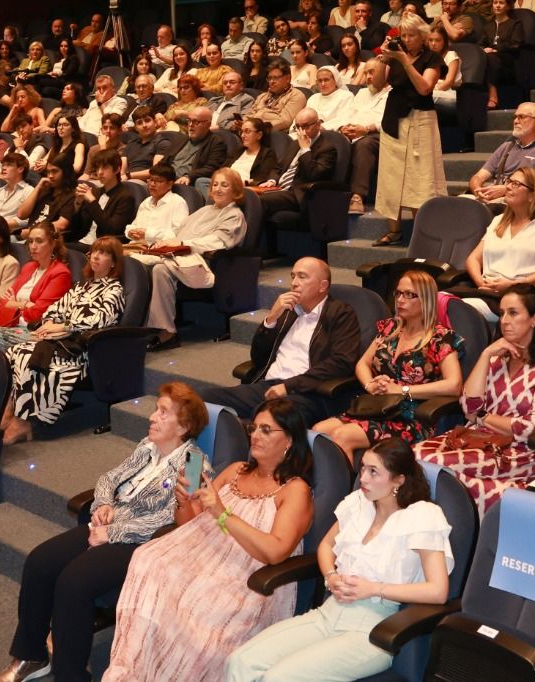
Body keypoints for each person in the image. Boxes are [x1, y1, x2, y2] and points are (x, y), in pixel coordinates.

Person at [0, 383, 210, 682]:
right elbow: (109, 478)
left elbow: (169, 519)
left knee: (74, 581)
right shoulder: (147, 447)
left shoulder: (194, 463)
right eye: (155, 409)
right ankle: (32, 656)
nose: (152, 417)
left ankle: (71, 675)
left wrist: (114, 532)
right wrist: (105, 503)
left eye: (163, 412)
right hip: (108, 525)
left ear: (184, 426)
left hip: (144, 543)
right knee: (40, 562)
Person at [102, 398, 314, 682]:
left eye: (266, 430)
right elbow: (192, 525)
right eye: (254, 427)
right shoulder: (237, 470)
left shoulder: (295, 490)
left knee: (193, 598)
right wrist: (183, 501)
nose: (254, 435)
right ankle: (138, 670)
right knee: (148, 560)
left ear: (289, 440)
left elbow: (275, 552)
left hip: (248, 576)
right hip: (205, 555)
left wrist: (221, 512)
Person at [226, 437, 453, 682]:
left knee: (279, 678)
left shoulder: (422, 516)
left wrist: (374, 589)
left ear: (399, 480)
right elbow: (326, 546)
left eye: (374, 472)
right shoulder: (359, 504)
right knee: (240, 662)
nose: (363, 478)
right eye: (363, 468)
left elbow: (438, 591)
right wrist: (330, 575)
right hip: (328, 613)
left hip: (372, 630)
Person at [415, 285, 535, 513]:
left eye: (513, 313)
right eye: (502, 313)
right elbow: (468, 407)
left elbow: (530, 429)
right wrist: (486, 355)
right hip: (474, 438)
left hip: (519, 453)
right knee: (413, 456)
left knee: (432, 465)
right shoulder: (496, 359)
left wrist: (482, 417)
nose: (504, 320)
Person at [314, 270, 465, 452]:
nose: (401, 300)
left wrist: (403, 390)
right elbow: (363, 364)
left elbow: (454, 385)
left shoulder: (440, 338)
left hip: (411, 417)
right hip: (378, 408)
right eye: (399, 293)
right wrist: (370, 384)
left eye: (410, 295)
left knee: (342, 436)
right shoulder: (390, 328)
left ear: (426, 299)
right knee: (319, 431)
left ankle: (346, 481)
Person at [200, 257, 362, 426]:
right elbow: (258, 358)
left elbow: (342, 362)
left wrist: (289, 386)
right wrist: (271, 318)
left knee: (268, 416)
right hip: (269, 386)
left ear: (322, 286)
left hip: (307, 393)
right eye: (293, 276)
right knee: (203, 400)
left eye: (302, 276)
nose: (294, 283)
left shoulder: (341, 313)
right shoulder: (287, 310)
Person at [2, 236, 127, 443]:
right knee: (13, 353)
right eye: (94, 251)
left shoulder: (114, 290)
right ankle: (10, 413)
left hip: (83, 351)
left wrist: (64, 327)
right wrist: (48, 325)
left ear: (113, 262)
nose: (95, 256)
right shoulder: (81, 287)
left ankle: (24, 422)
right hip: (58, 342)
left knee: (26, 356)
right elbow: (55, 309)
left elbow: (100, 320)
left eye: (103, 253)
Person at [137, 168, 248, 351]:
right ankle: (153, 328)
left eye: (224, 185)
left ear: (235, 190)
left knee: (159, 268)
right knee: (142, 265)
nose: (218, 189)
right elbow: (180, 233)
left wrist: (181, 244)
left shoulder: (235, 215)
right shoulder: (204, 210)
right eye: (215, 185)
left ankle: (166, 332)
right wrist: (166, 244)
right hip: (182, 259)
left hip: (209, 265)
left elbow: (217, 242)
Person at [373, 15, 446, 247]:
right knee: (389, 175)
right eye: (403, 35)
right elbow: (376, 84)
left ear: (422, 36)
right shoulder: (395, 55)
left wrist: (405, 61)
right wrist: (384, 58)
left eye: (411, 35)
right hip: (394, 118)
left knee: (420, 176)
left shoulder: (432, 58)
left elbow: (424, 88)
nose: (406, 39)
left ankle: (420, 232)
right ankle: (393, 231)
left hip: (420, 118)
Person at [460, 166, 535, 313]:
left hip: (521, 295)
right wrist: (481, 284)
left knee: (456, 308)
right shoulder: (498, 220)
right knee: (441, 300)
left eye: (516, 184)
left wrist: (515, 284)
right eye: (509, 181)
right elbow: (473, 259)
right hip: (487, 292)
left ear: (532, 195)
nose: (508, 187)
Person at [0, 222, 74, 351]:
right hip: (10, 324)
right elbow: (3, 301)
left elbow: (38, 314)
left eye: (39, 241)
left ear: (53, 244)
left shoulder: (60, 273)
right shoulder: (29, 267)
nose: (33, 246)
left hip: (32, 331)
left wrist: (15, 303)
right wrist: (26, 304)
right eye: (31, 241)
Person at [466, 103, 535, 202]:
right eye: (515, 117)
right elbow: (478, 177)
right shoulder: (507, 146)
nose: (516, 121)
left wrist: (506, 189)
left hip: (521, 202)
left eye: (521, 117)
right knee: (462, 202)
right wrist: (478, 191)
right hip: (493, 198)